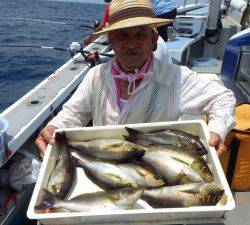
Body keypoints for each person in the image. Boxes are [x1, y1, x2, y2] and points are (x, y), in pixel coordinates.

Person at [36, 0, 236, 159]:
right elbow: (74, 113)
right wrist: (56, 127)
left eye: (140, 34)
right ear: (112, 41)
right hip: (104, 163)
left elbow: (222, 98)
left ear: (153, 40)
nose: (131, 43)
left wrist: (217, 130)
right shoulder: (96, 76)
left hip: (156, 169)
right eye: (122, 35)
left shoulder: (176, 77)